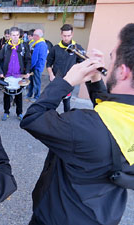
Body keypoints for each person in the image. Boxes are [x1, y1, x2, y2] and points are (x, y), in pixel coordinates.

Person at [20, 23, 134, 225]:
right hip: (104, 214)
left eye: (112, 58)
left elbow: (33, 118)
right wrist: (95, 80)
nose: (109, 62)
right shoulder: (119, 118)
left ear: (123, 72)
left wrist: (65, 82)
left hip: (59, 216)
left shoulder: (83, 126)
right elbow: (115, 112)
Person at [0, 26, 31, 121]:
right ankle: (6, 112)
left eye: (17, 35)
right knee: (6, 96)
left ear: (19, 35)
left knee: (19, 96)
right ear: (10, 36)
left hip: (19, 76)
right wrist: (0, 72)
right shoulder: (6, 47)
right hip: (7, 76)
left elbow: (28, 60)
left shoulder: (24, 46)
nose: (15, 37)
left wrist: (27, 71)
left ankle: (19, 113)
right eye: (13, 35)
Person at [46, 24, 85, 112]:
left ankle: (66, 120)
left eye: (68, 35)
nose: (66, 38)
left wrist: (77, 77)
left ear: (72, 35)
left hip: (69, 81)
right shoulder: (55, 48)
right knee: (53, 102)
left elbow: (82, 64)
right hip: (56, 80)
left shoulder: (77, 48)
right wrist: (51, 75)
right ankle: (50, 119)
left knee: (66, 103)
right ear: (61, 35)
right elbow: (48, 64)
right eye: (64, 35)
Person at [26, 29, 48, 102]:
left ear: (37, 36)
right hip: (38, 66)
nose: (33, 36)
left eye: (34, 35)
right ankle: (29, 95)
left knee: (36, 82)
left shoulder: (39, 44)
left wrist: (30, 67)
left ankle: (36, 97)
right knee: (32, 81)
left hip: (36, 67)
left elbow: (35, 58)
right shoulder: (41, 43)